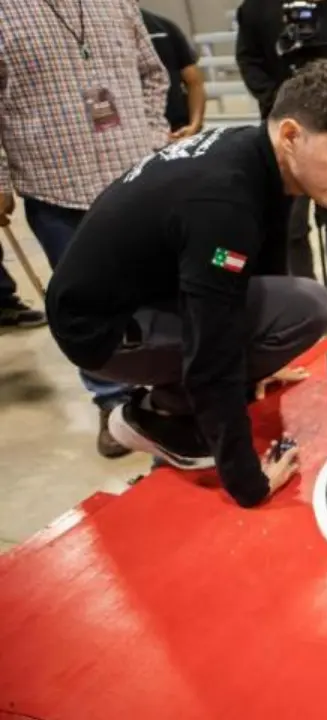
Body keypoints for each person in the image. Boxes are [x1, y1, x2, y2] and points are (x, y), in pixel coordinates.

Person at [44, 60, 327, 509]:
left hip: (138, 294)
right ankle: (154, 414)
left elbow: (258, 274)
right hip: (102, 333)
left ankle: (171, 401)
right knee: (306, 306)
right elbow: (213, 348)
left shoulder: (256, 153)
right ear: (290, 135)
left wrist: (261, 361)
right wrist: (249, 481)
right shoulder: (223, 201)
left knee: (294, 310)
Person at [0, 0, 170, 457]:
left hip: (134, 176)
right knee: (84, 304)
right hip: (55, 186)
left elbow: (153, 74)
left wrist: (153, 136)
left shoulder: (117, 3)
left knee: (155, 289)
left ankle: (166, 387)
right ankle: (111, 400)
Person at [235, 0, 327, 320]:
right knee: (292, 224)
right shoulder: (255, 9)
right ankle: (307, 297)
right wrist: (288, 101)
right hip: (286, 133)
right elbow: (249, 61)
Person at [140, 6, 208, 139]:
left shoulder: (163, 28)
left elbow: (194, 82)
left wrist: (194, 126)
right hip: (138, 135)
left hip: (178, 130)